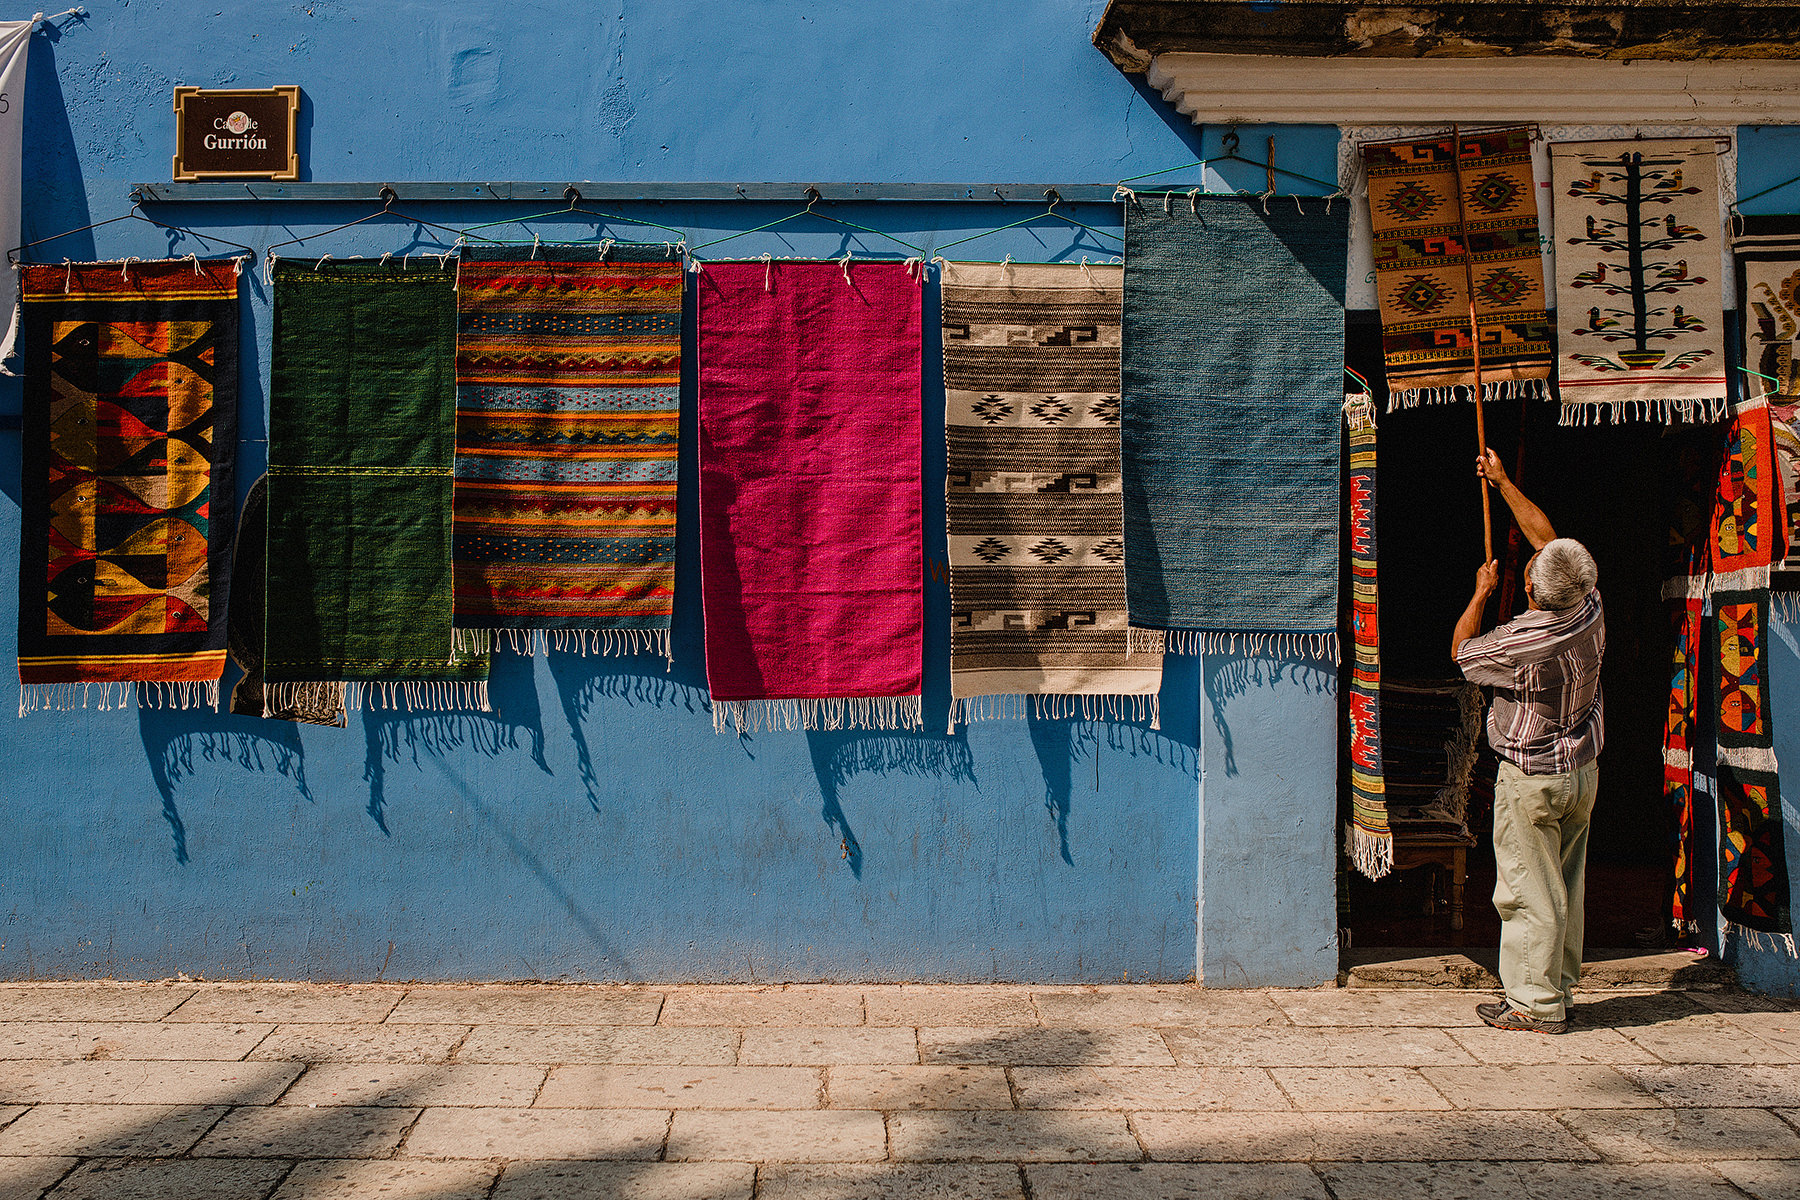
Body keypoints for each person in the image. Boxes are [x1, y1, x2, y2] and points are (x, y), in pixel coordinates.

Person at [1451, 448, 1604, 1035]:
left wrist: (1481, 594)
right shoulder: (1588, 605)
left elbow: (1465, 655)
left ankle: (1534, 1005)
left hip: (1533, 777)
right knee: (1564, 881)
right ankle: (1557, 987)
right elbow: (1549, 541)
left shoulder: (1524, 639)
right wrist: (1504, 481)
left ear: (1535, 593)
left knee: (1526, 888)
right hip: (1581, 771)